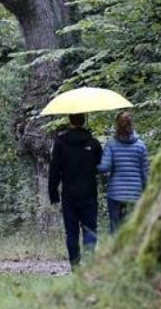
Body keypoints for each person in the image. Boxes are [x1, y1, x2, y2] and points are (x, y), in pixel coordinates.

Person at [47, 113, 102, 267]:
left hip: (69, 194)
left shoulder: (60, 143)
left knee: (71, 232)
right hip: (89, 193)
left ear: (70, 120)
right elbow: (100, 166)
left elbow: (54, 169)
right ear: (84, 120)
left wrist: (53, 192)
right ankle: (90, 262)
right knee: (90, 229)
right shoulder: (93, 143)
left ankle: (75, 266)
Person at [98, 111, 149, 233]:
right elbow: (145, 173)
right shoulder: (141, 145)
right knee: (132, 230)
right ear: (132, 124)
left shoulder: (111, 144)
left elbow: (105, 167)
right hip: (135, 194)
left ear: (117, 125)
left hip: (115, 194)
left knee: (115, 230)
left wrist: (92, 165)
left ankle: (114, 252)